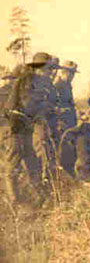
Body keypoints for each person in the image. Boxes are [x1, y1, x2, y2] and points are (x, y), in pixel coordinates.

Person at [3, 52, 58, 205]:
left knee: (32, 163)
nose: (50, 72)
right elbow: (18, 106)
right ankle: (13, 201)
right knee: (13, 164)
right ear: (38, 68)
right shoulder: (24, 83)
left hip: (27, 127)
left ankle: (39, 198)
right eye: (48, 69)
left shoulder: (43, 85)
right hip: (16, 126)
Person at [54, 60, 79, 177]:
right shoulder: (57, 85)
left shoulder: (68, 86)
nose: (72, 76)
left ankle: (70, 172)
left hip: (70, 121)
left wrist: (77, 111)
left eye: (73, 74)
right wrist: (61, 112)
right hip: (61, 122)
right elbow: (53, 105)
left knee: (71, 147)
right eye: (70, 73)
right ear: (64, 72)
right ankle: (64, 174)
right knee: (63, 148)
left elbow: (71, 103)